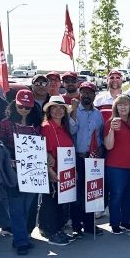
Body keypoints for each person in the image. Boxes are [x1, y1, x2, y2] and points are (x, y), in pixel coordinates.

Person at [0, 89, 42, 254]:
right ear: (14, 104)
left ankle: (21, 236)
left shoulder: (37, 125)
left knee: (27, 207)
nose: (24, 109)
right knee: (16, 208)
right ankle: (21, 241)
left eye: (27, 107)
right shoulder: (5, 124)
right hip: (13, 172)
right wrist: (8, 160)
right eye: (21, 106)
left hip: (33, 171)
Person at [68, 81, 104, 237]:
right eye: (83, 92)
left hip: (92, 159)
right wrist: (73, 111)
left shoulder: (98, 114)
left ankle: (90, 225)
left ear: (94, 95)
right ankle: (76, 226)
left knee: (91, 193)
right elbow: (71, 129)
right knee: (76, 195)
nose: (86, 95)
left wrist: (99, 150)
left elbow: (100, 135)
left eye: (90, 92)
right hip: (76, 158)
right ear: (79, 94)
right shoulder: (74, 110)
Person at [41, 96, 77, 246]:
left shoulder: (63, 128)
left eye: (61, 108)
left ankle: (58, 230)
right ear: (49, 110)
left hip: (65, 173)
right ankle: (52, 233)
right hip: (54, 173)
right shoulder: (46, 127)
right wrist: (50, 172)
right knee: (51, 204)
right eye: (54, 107)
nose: (58, 110)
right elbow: (44, 151)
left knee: (60, 204)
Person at [104, 95, 130, 235]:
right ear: (115, 107)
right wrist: (111, 130)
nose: (123, 107)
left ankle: (125, 221)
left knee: (129, 195)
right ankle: (115, 223)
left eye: (125, 105)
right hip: (115, 166)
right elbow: (108, 146)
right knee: (116, 195)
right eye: (120, 105)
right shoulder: (111, 122)